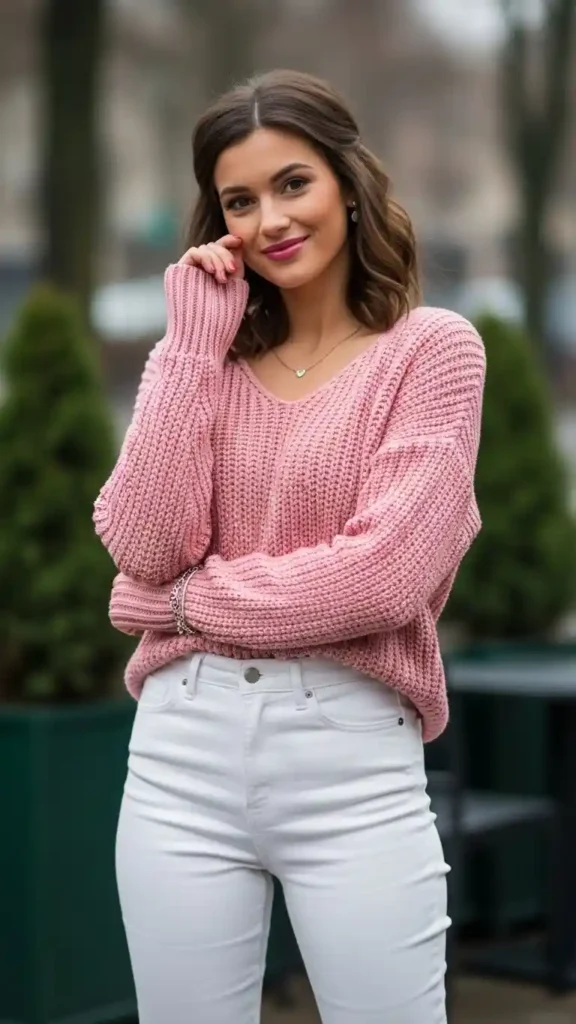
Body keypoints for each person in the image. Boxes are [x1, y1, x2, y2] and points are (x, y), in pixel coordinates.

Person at [94, 69, 485, 1024]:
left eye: (292, 183)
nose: (269, 218)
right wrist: (190, 343)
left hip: (351, 756)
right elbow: (144, 544)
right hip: (181, 754)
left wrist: (184, 606)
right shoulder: (196, 367)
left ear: (347, 187)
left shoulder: (431, 353)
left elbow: (381, 577)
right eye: (240, 200)